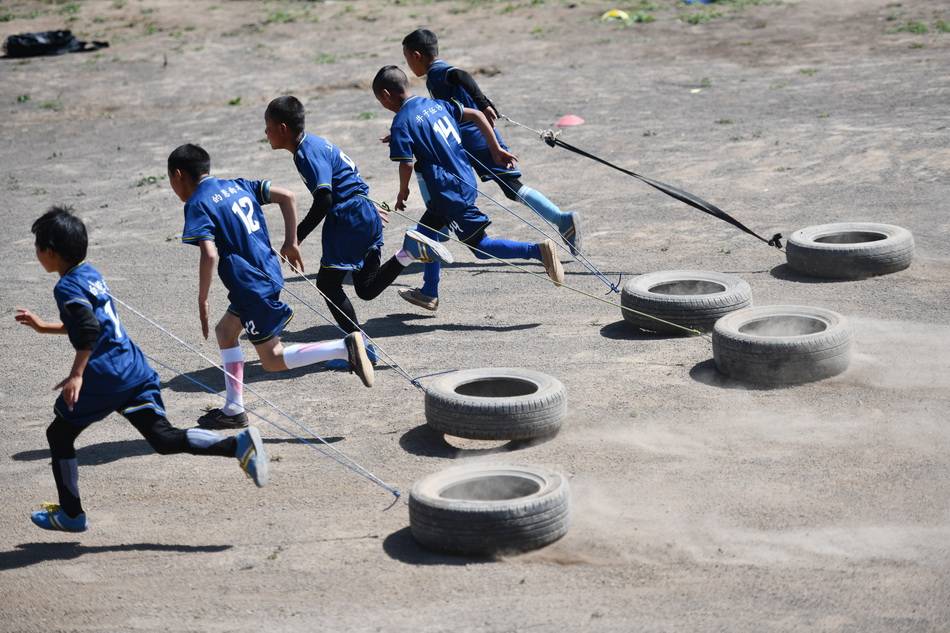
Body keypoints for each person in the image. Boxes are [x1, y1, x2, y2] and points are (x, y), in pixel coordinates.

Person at [15, 206, 268, 533]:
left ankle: (71, 514)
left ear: (49, 253)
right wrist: (44, 327)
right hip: (134, 368)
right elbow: (93, 323)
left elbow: (88, 330)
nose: (37, 253)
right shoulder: (90, 273)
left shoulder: (65, 288)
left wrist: (77, 373)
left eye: (37, 247)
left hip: (107, 375)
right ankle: (237, 445)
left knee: (59, 432)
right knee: (162, 438)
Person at [167, 144, 374, 430]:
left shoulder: (197, 204)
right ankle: (233, 409)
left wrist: (203, 300)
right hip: (267, 271)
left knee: (272, 359)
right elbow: (287, 196)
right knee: (226, 332)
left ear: (178, 175)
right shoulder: (237, 185)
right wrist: (291, 241)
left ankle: (343, 347)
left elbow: (210, 253)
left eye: (171, 181)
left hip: (250, 285)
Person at [373, 65, 564, 312]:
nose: (382, 104)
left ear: (386, 95)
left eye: (380, 100)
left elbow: (406, 163)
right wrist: (495, 148)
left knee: (480, 248)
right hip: (462, 180)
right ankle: (429, 292)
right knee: (425, 237)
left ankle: (538, 251)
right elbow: (476, 115)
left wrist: (402, 192)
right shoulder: (434, 104)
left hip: (448, 192)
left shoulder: (401, 122)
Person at [263, 95, 453, 334]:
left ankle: (359, 346)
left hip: (348, 218)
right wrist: (368, 209)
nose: (265, 132)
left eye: (268, 127)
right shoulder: (315, 143)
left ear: (283, 129)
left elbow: (325, 199)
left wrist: (294, 238)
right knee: (366, 288)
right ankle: (408, 253)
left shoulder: (306, 153)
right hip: (364, 212)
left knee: (327, 285)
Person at [402, 28, 581, 255]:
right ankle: (440, 225)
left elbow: (461, 75)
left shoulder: (438, 73)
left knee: (510, 187)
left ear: (417, 55)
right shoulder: (435, 75)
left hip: (476, 139)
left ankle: (563, 220)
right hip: (472, 138)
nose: (408, 66)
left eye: (407, 59)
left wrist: (482, 101)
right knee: (444, 175)